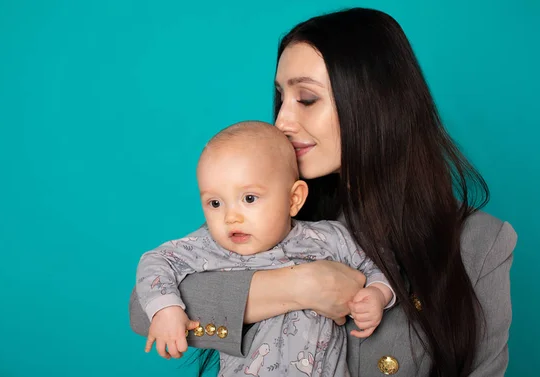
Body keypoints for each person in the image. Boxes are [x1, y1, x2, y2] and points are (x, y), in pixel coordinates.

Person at [129, 8, 517, 377]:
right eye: (281, 97)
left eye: (307, 99)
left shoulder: (482, 242)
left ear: (373, 103)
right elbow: (142, 309)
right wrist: (301, 286)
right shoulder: (276, 214)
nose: (282, 120)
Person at [137, 121, 395, 377]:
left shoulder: (328, 238)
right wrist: (165, 309)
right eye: (215, 203)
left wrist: (377, 294)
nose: (231, 217)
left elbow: (376, 265)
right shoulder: (210, 246)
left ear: (294, 199)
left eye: (249, 198)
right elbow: (156, 260)